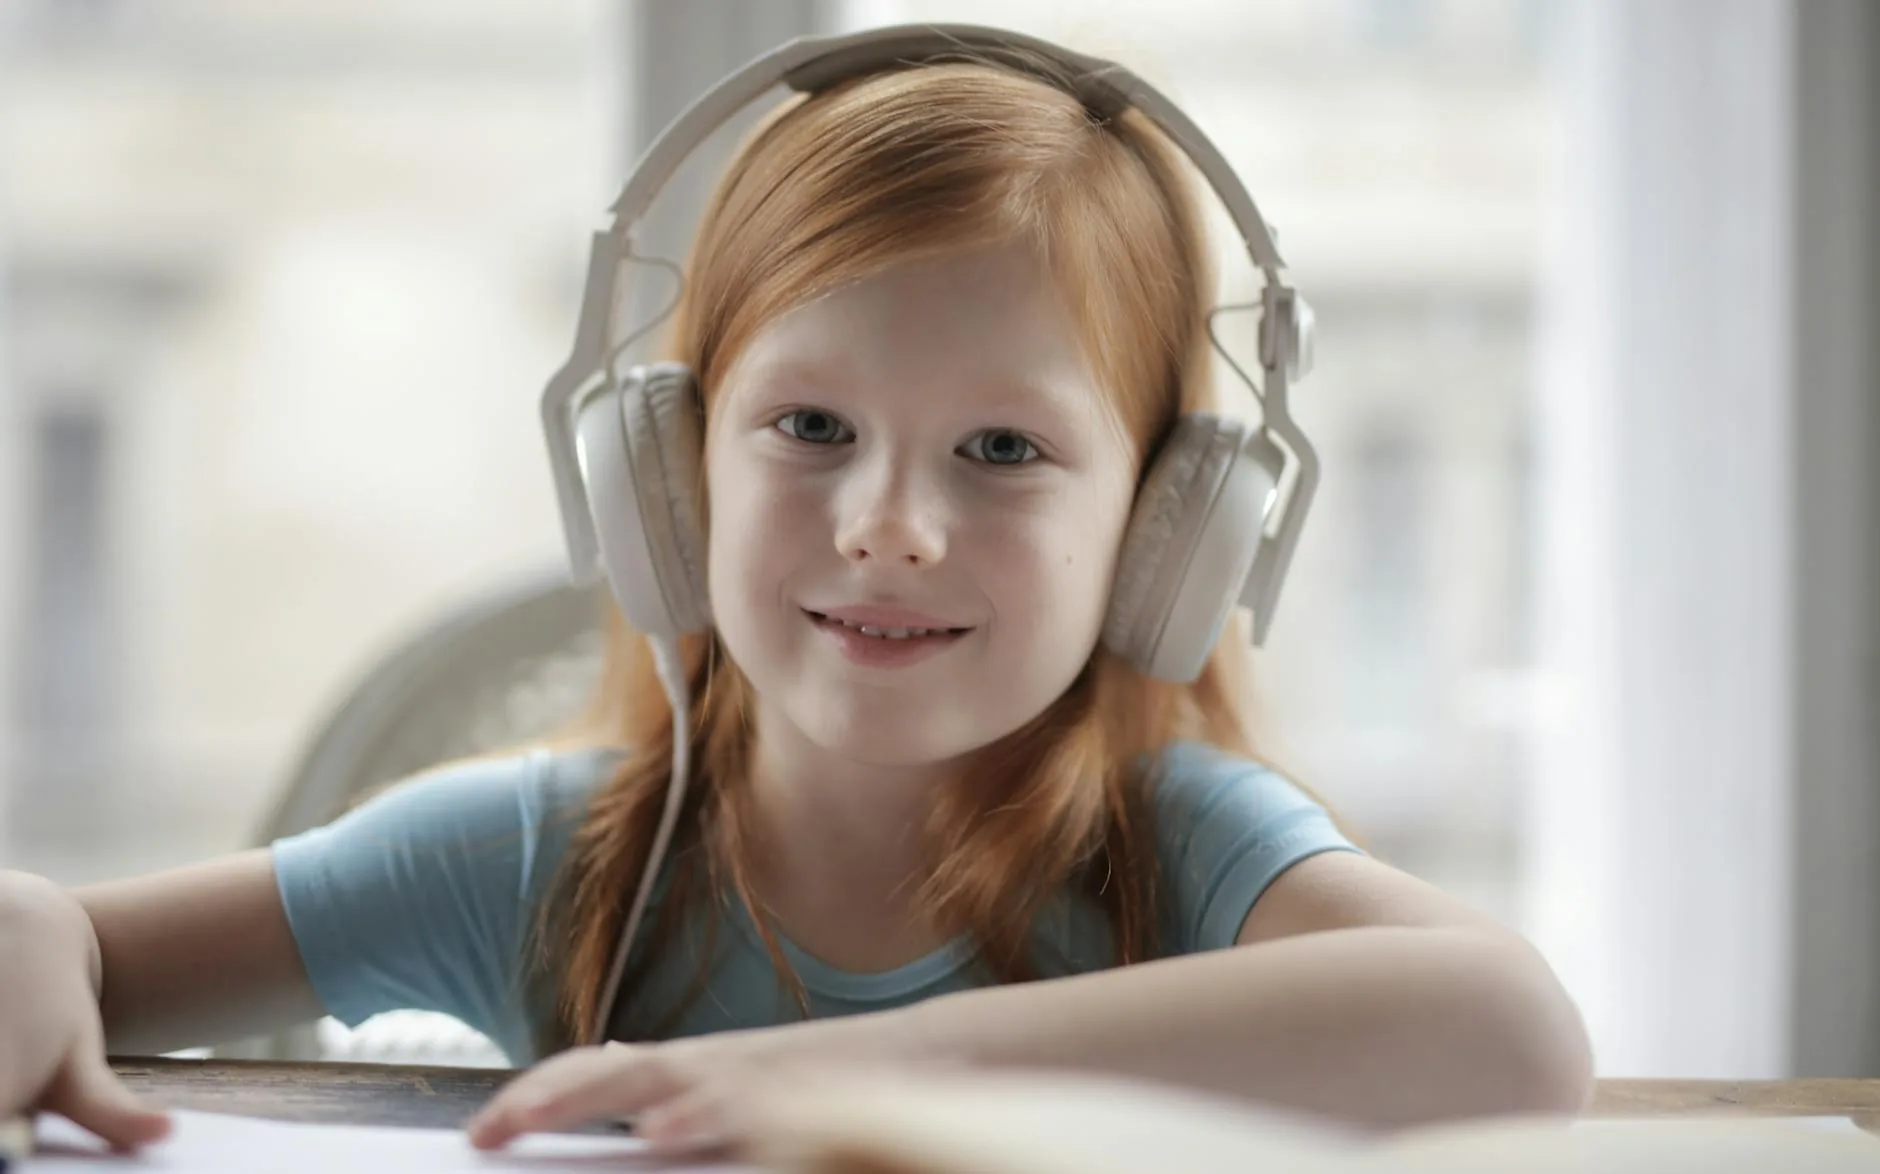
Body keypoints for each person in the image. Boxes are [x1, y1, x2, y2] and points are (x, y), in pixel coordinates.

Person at [0, 26, 1591, 1160]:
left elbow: (1507, 1029)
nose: (890, 525)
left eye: (1002, 446)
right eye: (812, 427)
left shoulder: (1174, 850)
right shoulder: (534, 861)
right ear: (669, 478)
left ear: (1168, 528)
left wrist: (822, 1080)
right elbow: (60, 932)